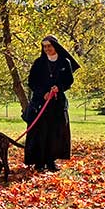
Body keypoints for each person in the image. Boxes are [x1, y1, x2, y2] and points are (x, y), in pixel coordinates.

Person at [24, 35, 79, 172]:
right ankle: (39, 163)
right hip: (40, 103)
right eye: (45, 46)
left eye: (49, 46)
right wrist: (43, 93)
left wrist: (59, 88)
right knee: (40, 132)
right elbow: (32, 82)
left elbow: (69, 81)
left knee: (55, 132)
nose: (47, 49)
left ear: (55, 46)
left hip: (57, 104)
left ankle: (51, 161)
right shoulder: (39, 63)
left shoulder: (64, 62)